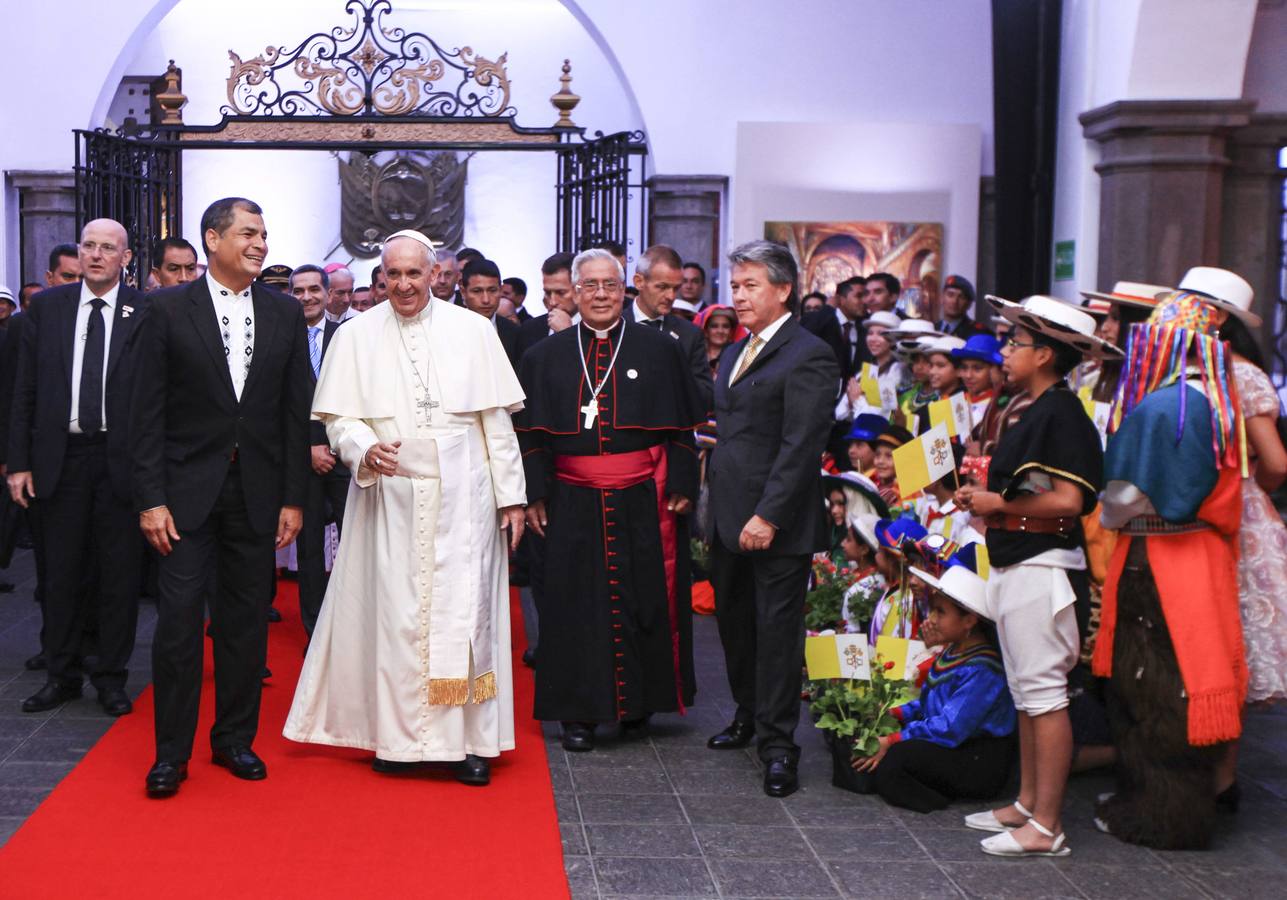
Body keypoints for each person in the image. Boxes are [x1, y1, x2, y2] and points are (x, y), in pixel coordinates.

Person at [284, 230, 526, 787]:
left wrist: (511, 496)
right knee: (395, 621)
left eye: (414, 274)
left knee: (467, 621)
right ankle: (396, 740)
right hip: (389, 495)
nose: (403, 285)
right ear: (380, 278)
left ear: (437, 276)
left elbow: (497, 423)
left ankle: (470, 743)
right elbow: (340, 420)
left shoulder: (471, 330)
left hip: (466, 495)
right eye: (392, 275)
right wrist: (362, 447)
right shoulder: (355, 335)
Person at [131, 197, 311, 798]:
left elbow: (295, 412)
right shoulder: (165, 310)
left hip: (256, 494)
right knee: (179, 626)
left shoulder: (284, 312)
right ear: (212, 240)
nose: (260, 243)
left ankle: (234, 740)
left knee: (243, 627)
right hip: (183, 497)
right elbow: (145, 412)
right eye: (248, 233)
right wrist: (150, 497)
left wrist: (293, 497)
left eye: (264, 233)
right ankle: (170, 755)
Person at [515, 248, 702, 751]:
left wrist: (683, 484)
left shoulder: (659, 350)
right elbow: (529, 434)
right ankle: (577, 713)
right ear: (573, 292)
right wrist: (533, 494)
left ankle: (638, 704)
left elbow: (683, 426)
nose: (600, 294)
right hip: (571, 499)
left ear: (626, 291)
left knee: (644, 598)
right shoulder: (543, 357)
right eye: (590, 285)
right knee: (573, 606)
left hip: (644, 496)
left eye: (610, 285)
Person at [1092, 277, 1250, 849]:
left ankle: (1164, 816)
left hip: (1158, 560)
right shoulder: (1217, 398)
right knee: (1183, 683)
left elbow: (1122, 498)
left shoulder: (1165, 407)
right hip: (1202, 554)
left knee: (1155, 688)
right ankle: (1174, 804)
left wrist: (1109, 515)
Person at [955, 294, 1114, 858]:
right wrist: (988, 499)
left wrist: (998, 504)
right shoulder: (1036, 406)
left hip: (1043, 565)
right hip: (1018, 559)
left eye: (1015, 343)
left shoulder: (1062, 412)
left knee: (1044, 695)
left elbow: (1071, 501)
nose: (1005, 351)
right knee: (1027, 691)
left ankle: (1047, 825)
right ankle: (1027, 804)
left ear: (1045, 354)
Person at [705, 239, 838, 798]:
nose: (738, 295)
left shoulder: (808, 352)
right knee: (734, 625)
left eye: (750, 285)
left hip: (773, 522)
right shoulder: (738, 352)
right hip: (727, 514)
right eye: (734, 286)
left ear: (783, 289)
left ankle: (780, 745)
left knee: (776, 633)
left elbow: (800, 445)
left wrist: (767, 515)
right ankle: (748, 713)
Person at [8, 219, 147, 717]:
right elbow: (24, 390)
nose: (95, 255)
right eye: (88, 245)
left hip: (121, 460)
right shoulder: (45, 309)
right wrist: (19, 462)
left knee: (118, 577)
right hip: (59, 460)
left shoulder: (146, 312)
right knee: (59, 574)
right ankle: (61, 675)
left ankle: (111, 678)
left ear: (125, 259)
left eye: (107, 248)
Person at [851, 560, 1015, 812]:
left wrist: (893, 739)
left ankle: (935, 796)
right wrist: (892, 713)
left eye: (940, 612)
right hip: (952, 745)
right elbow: (929, 705)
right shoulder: (952, 652)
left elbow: (950, 727)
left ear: (969, 620)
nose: (931, 618)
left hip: (976, 758)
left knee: (897, 758)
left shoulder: (983, 669)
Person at [288, 265, 349, 639]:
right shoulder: (280, 335)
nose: (307, 297)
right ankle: (314, 629)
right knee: (309, 549)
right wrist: (309, 446)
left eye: (314, 290)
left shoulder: (348, 337)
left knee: (355, 544)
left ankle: (352, 626)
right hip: (300, 461)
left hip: (345, 457)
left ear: (328, 294)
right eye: (299, 291)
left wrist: (334, 444)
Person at [625, 244, 714, 412]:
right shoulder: (614, 326)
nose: (671, 296)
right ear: (639, 282)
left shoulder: (689, 334)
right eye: (662, 287)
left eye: (675, 288)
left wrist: (673, 374)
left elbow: (707, 398)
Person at [835, 310, 903, 422]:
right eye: (870, 333)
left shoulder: (898, 370)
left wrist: (856, 400)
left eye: (881, 334)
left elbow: (880, 415)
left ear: (893, 339)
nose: (873, 339)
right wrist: (857, 403)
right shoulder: (866, 371)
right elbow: (839, 413)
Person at [460, 258, 522, 371]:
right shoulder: (447, 330)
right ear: (463, 292)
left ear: (501, 290)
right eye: (477, 291)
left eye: (492, 290)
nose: (486, 299)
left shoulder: (515, 333)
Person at [802, 275, 868, 381]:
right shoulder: (821, 321)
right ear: (840, 299)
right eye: (859, 296)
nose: (865, 301)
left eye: (866, 296)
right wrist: (828, 309)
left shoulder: (866, 327)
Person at [516, 252, 576, 357]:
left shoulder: (596, 328)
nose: (552, 302)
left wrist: (566, 335)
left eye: (561, 293)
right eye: (548, 293)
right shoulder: (530, 329)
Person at [951, 334, 1004, 429]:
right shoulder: (954, 400)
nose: (968, 375)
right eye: (964, 367)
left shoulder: (1000, 406)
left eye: (977, 368)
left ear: (994, 370)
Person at [694, 304, 741, 379]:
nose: (720, 331)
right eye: (714, 326)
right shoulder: (694, 356)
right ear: (705, 331)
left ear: (731, 331)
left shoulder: (740, 357)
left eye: (725, 326)